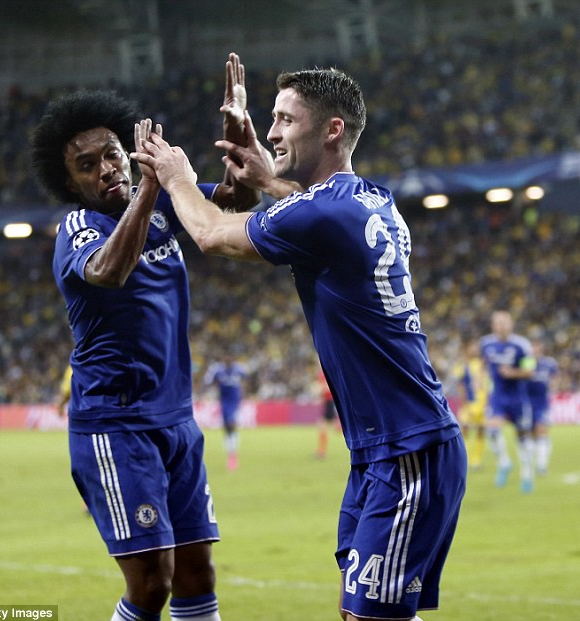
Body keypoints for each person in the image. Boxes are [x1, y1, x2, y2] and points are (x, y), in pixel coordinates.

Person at [133, 65, 467, 621]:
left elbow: (212, 234)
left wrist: (176, 177)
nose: (271, 132)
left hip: (407, 447)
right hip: (383, 448)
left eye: (286, 120)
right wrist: (268, 181)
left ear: (332, 129)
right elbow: (311, 209)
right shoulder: (371, 200)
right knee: (357, 612)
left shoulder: (323, 212)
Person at [31, 54, 256, 621]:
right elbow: (109, 271)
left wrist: (236, 138)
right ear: (70, 183)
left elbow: (238, 202)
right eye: (87, 166)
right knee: (152, 583)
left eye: (112, 154)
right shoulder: (79, 228)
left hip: (176, 419)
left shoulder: (161, 207)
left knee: (198, 576)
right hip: (116, 425)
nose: (107, 168)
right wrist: (151, 189)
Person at [479, 310, 536, 493]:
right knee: (491, 431)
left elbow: (530, 372)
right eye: (498, 323)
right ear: (493, 325)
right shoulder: (486, 344)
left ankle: (527, 475)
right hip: (498, 397)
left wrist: (513, 373)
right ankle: (504, 462)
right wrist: (480, 380)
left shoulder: (522, 345)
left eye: (504, 322)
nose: (501, 326)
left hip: (518, 398)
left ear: (511, 324)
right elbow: (483, 365)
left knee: (522, 437)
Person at [203, 355, 249, 470]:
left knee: (231, 423)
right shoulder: (218, 370)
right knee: (227, 429)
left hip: (235, 401)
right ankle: (231, 453)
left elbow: (247, 379)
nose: (228, 360)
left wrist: (244, 391)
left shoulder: (239, 369)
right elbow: (208, 381)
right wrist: (212, 389)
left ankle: (233, 455)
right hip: (224, 402)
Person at [453, 339, 489, 469]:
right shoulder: (462, 365)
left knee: (481, 430)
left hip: (482, 402)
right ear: (466, 349)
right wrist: (463, 402)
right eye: (472, 347)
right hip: (469, 403)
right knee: (465, 429)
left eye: (476, 347)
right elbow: (460, 385)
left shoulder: (482, 364)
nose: (474, 349)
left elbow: (487, 383)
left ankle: (476, 460)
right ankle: (464, 458)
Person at [527, 338, 559, 476]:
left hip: (542, 402)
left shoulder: (549, 363)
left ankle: (542, 465)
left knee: (542, 430)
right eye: (532, 347)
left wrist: (554, 386)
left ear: (541, 348)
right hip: (527, 402)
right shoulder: (525, 363)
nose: (535, 349)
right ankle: (532, 463)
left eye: (537, 346)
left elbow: (555, 378)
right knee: (530, 434)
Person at [315, 363, 338, 460]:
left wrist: (319, 391)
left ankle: (322, 452)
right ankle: (321, 451)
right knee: (324, 425)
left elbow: (325, 388)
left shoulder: (323, 373)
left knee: (322, 425)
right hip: (329, 402)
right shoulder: (327, 372)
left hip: (329, 402)